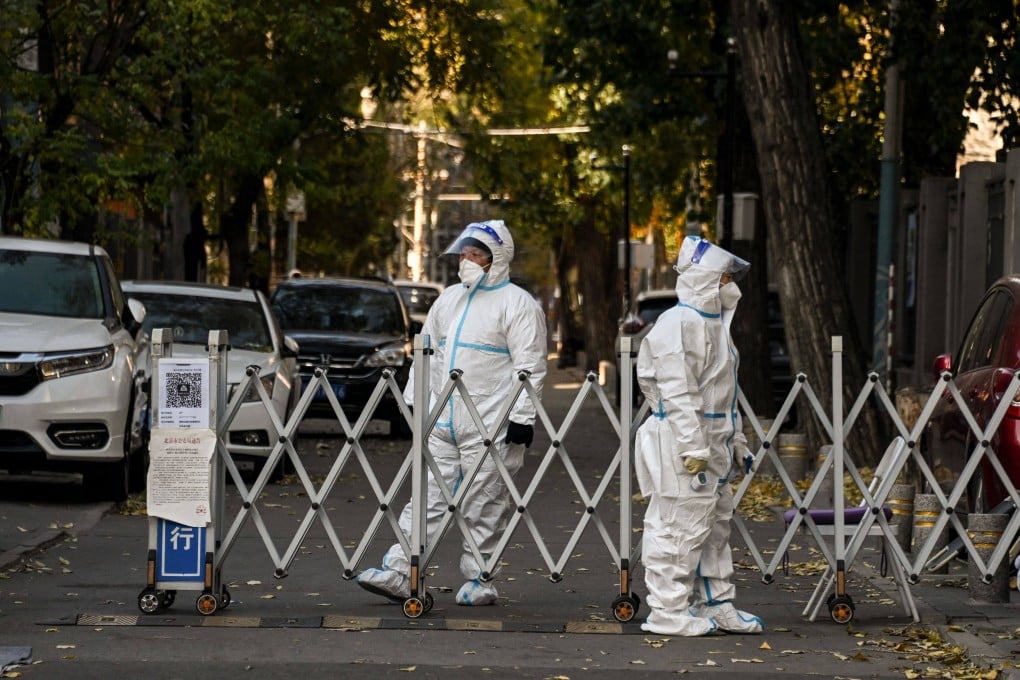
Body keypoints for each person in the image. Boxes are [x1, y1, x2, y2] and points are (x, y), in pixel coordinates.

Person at [357, 219, 548, 606]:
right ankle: (402, 571)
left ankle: (481, 579)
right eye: (464, 253)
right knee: (425, 498)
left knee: (485, 504)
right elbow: (427, 351)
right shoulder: (449, 300)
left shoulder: (518, 305)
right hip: (443, 421)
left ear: (496, 258)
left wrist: (523, 417)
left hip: (492, 425)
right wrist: (414, 402)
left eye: (475, 254)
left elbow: (530, 365)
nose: (466, 260)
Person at [633, 235, 763, 636]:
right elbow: (678, 392)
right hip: (682, 441)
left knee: (714, 528)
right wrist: (693, 447)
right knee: (678, 526)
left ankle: (716, 603)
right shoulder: (678, 325)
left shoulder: (715, 326)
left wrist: (736, 442)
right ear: (705, 278)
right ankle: (668, 611)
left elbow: (724, 393)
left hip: (712, 440)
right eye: (724, 277)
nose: (730, 284)